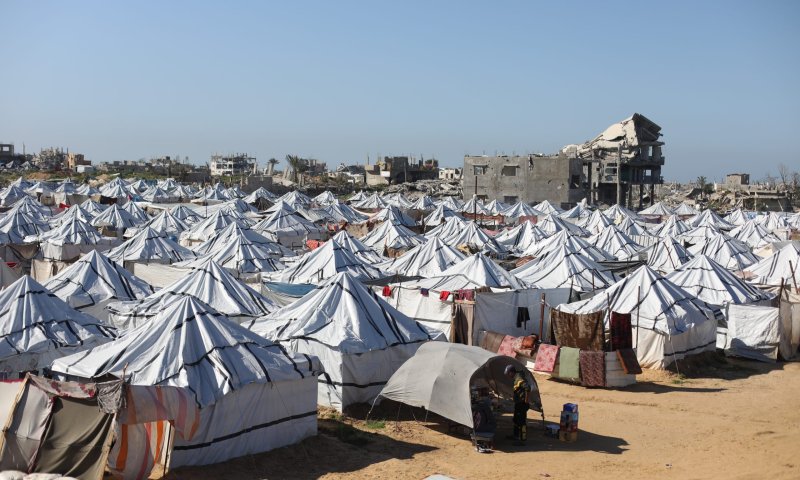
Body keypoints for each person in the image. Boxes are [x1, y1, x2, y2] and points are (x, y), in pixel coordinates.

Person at [505, 364, 531, 445]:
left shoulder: (519, 378)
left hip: (522, 404)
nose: (508, 375)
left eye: (508, 373)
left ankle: (522, 440)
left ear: (512, 372)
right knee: (516, 420)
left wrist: (526, 401)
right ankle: (515, 436)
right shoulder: (516, 378)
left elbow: (528, 388)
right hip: (518, 403)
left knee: (522, 422)